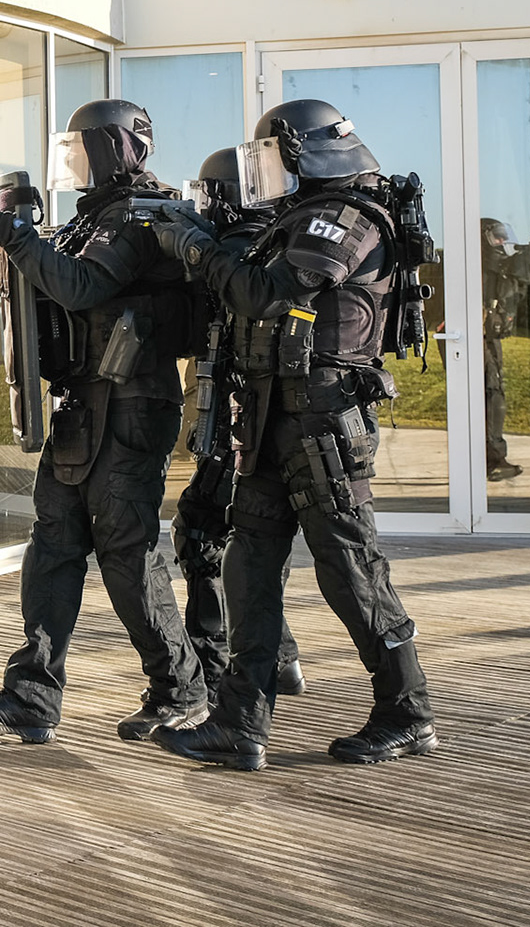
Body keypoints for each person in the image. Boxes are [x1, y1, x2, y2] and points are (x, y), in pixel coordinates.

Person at [149, 99, 436, 771]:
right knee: (249, 565)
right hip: (278, 416)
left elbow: (268, 294)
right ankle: (239, 725)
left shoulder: (350, 215)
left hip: (325, 421)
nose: (264, 173)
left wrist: (196, 243)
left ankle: (409, 711)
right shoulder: (300, 215)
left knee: (350, 568)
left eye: (271, 157)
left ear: (303, 150)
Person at [0, 99, 208, 745]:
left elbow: (82, 287)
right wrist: (15, 225)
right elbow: (50, 282)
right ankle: (32, 697)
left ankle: (183, 691)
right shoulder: (97, 219)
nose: (75, 161)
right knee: (53, 548)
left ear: (116, 147)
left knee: (126, 554)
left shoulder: (148, 217)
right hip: (82, 406)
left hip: (132, 406)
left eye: (83, 148)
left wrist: (13, 233)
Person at [173, 149, 304, 703]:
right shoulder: (273, 243)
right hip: (258, 418)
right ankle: (281, 656)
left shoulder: (231, 251)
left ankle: (211, 662)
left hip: (236, 419)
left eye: (207, 195)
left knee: (204, 535)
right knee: (250, 544)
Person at [481, 218, 525, 483]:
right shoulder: (477, 264)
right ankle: (492, 460)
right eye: (497, 238)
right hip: (473, 336)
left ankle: (492, 458)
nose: (502, 243)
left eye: (503, 237)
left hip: (488, 336)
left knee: (493, 394)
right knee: (490, 394)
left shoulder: (498, 268)